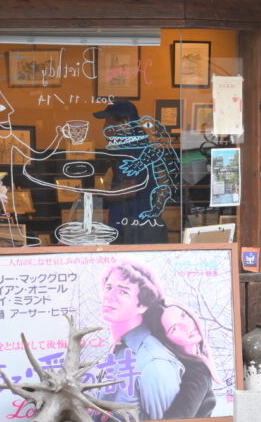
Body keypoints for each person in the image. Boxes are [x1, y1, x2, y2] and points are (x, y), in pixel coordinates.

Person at [100, 261, 183, 419]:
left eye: (123, 292)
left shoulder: (154, 361)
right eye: (109, 288)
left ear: (143, 305)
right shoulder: (115, 347)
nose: (109, 297)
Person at [94, 100, 171, 244]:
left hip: (135, 231)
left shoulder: (131, 151)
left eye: (110, 123)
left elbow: (131, 189)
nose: (105, 127)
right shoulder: (138, 147)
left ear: (126, 122)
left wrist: (96, 194)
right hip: (136, 227)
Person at [146, 299, 222, 418]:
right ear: (166, 340)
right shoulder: (196, 372)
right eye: (174, 328)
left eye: (183, 315)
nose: (186, 326)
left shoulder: (184, 367)